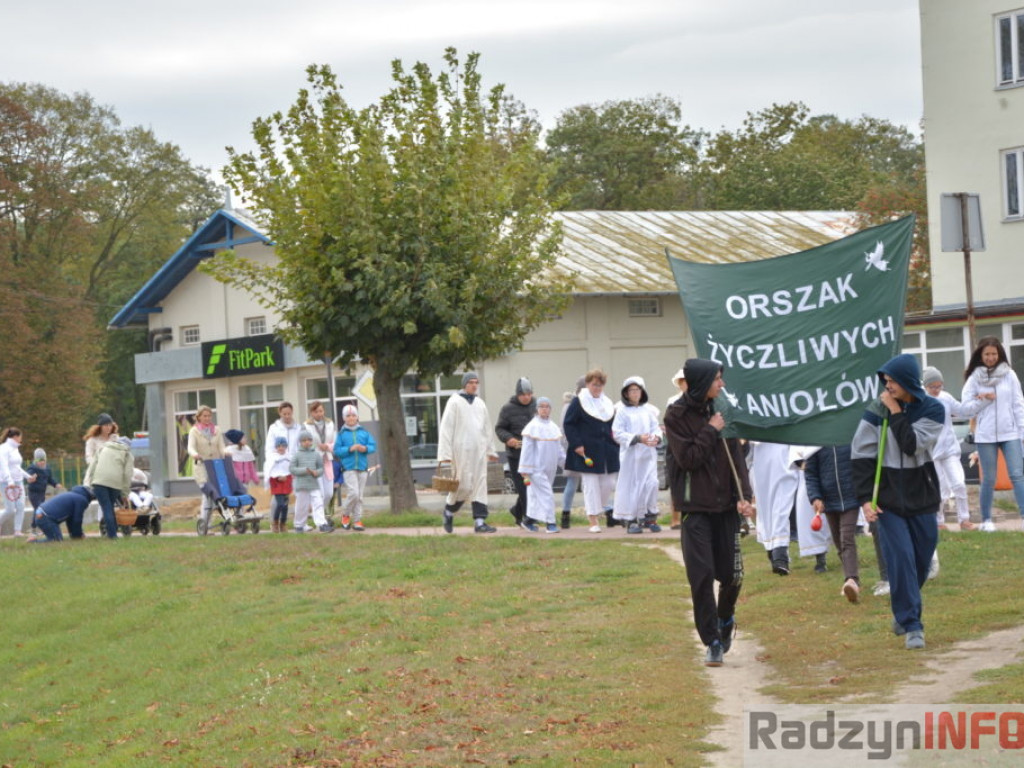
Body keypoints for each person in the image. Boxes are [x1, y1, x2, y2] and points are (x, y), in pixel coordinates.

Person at [664, 359, 754, 667]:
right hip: (695, 508)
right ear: (703, 382)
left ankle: (725, 616)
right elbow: (688, 458)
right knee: (701, 577)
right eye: (718, 379)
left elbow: (737, 458)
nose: (722, 385)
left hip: (726, 506)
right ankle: (712, 641)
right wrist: (710, 430)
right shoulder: (675, 415)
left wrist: (746, 496)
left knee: (731, 575)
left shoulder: (723, 410)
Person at [852, 353, 944, 650]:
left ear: (906, 381)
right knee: (901, 557)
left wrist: (894, 411)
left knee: (922, 557)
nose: (886, 386)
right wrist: (865, 499)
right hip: (887, 500)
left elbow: (911, 445)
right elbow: (861, 455)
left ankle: (903, 607)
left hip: (923, 495)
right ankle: (912, 624)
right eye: (885, 381)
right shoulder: (875, 409)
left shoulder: (933, 409)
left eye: (891, 381)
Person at [957, 337, 1024, 532]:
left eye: (994, 354)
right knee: (988, 479)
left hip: (1010, 432)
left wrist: (1022, 432)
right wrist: (984, 400)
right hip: (985, 435)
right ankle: (987, 520)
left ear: (1000, 354)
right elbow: (966, 409)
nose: (991, 357)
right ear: (980, 355)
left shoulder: (1009, 375)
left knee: (1017, 475)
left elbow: (1018, 405)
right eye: (987, 354)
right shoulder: (973, 379)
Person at [438, 372, 499, 534]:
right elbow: (446, 429)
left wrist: (491, 450)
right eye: (471, 382)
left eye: (476, 382)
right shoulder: (455, 402)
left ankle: (480, 522)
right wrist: (445, 455)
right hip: (461, 452)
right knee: (463, 486)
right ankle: (449, 511)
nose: (474, 385)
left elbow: (487, 428)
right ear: (464, 384)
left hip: (478, 452)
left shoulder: (480, 404)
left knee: (480, 485)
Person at [563, 368, 620, 533]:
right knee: (590, 485)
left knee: (609, 483)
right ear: (588, 384)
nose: (597, 388)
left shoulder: (607, 402)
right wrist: (577, 444)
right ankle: (593, 520)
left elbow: (612, 426)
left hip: (607, 449)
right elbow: (569, 424)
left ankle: (598, 508)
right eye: (594, 385)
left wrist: (616, 443)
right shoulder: (579, 401)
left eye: (600, 385)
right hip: (586, 449)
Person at [804, 444, 862, 603]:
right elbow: (811, 473)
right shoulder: (817, 442)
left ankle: (851, 579)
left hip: (852, 498)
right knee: (838, 542)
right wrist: (815, 497)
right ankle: (852, 576)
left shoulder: (849, 437)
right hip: (828, 501)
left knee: (846, 539)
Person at [921, 366, 970, 530]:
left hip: (949, 449)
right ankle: (939, 521)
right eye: (932, 387)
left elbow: (963, 411)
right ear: (925, 386)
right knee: (940, 489)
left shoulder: (946, 397)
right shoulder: (920, 400)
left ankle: (964, 520)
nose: (936, 390)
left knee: (959, 484)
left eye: (939, 386)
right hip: (932, 453)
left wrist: (977, 403)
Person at [612, 376, 663, 534]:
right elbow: (617, 433)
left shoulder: (648, 411)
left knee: (652, 483)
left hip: (648, 455)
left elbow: (656, 428)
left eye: (638, 390)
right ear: (626, 394)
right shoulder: (622, 412)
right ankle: (632, 520)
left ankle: (649, 516)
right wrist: (637, 438)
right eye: (632, 390)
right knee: (633, 487)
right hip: (632, 457)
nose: (635, 393)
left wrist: (656, 438)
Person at [519, 396, 567, 533]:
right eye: (541, 406)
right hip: (535, 469)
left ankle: (528, 521)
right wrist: (524, 469)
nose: (544, 409)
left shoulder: (553, 427)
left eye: (547, 407)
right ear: (537, 409)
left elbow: (559, 451)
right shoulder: (532, 427)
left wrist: (567, 464)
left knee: (535, 496)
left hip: (549, 468)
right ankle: (550, 523)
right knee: (547, 494)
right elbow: (526, 450)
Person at [495, 377, 537, 528]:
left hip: (534, 454)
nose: (526, 397)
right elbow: (499, 428)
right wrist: (509, 439)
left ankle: (516, 511)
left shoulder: (537, 405)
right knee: (524, 486)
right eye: (523, 394)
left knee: (532, 486)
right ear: (518, 394)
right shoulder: (507, 409)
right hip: (516, 456)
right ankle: (529, 518)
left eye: (529, 393)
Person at [334, 404, 377, 531]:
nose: (351, 418)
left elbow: (373, 446)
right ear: (344, 418)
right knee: (354, 493)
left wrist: (366, 448)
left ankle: (357, 521)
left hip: (362, 467)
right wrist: (349, 449)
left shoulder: (364, 432)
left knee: (360, 496)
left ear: (357, 417)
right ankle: (346, 514)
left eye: (353, 415)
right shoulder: (341, 434)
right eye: (348, 416)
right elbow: (337, 451)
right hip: (348, 468)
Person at [187, 405, 228, 534]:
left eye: (209, 416)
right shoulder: (194, 431)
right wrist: (194, 454)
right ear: (199, 417)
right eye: (204, 416)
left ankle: (209, 523)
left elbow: (221, 447)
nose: (207, 418)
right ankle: (204, 524)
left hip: (216, 466)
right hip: (202, 466)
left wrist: (226, 453)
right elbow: (190, 447)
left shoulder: (216, 430)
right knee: (208, 494)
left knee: (216, 495)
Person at [83, 435, 134, 539]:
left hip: (99, 482)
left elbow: (93, 466)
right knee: (109, 507)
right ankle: (112, 535)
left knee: (106, 507)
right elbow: (127, 475)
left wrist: (92, 481)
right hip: (116, 483)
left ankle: (112, 533)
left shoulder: (103, 448)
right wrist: (125, 493)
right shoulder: (127, 454)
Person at [290, 429, 334, 533]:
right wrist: (304, 471)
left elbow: (321, 468)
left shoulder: (316, 454)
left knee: (318, 502)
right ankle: (299, 525)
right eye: (304, 440)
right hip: (302, 484)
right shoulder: (297, 455)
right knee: (302, 504)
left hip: (314, 484)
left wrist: (316, 473)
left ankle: (322, 524)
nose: (307, 442)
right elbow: (292, 469)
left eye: (309, 440)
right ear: (300, 442)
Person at [559, 378, 586, 529]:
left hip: (589, 448)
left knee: (594, 481)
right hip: (573, 448)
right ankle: (565, 514)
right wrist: (568, 447)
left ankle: (608, 511)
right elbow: (564, 430)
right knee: (572, 481)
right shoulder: (570, 406)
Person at [665, 368, 688, 530]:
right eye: (683, 381)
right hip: (676, 445)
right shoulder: (673, 401)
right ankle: (675, 518)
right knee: (676, 482)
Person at [305, 401, 337, 513]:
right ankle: (320, 518)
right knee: (320, 493)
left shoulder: (330, 423)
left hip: (327, 460)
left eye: (321, 411)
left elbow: (334, 442)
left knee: (329, 493)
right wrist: (318, 447)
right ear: (311, 413)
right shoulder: (306, 426)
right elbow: (304, 443)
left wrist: (327, 446)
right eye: (316, 411)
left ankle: (316, 511)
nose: (319, 414)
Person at [0, 427, 31, 537]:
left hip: (19, 481)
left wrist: (28, 477)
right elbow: (3, 466)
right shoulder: (3, 448)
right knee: (10, 509)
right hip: (6, 483)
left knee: (21, 506)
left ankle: (17, 531)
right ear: (15, 437)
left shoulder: (15, 449)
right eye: (20, 437)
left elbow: (17, 467)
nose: (21, 439)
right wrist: (9, 481)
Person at [26, 448, 62, 538]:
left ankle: (36, 528)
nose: (41, 463)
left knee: (40, 510)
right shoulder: (32, 468)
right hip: (33, 493)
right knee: (39, 509)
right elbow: (28, 476)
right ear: (35, 460)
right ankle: (34, 528)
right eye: (39, 461)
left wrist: (56, 484)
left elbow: (50, 479)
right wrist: (30, 478)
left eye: (43, 460)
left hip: (42, 494)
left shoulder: (47, 469)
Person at [264, 436, 293, 533]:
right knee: (279, 504)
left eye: (283, 446)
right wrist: (277, 478)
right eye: (279, 446)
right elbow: (270, 470)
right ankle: (275, 522)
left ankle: (283, 523)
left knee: (285, 505)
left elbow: (291, 470)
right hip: (277, 484)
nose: (281, 448)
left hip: (286, 483)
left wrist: (288, 478)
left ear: (286, 447)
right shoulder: (273, 458)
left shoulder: (289, 457)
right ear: (276, 447)